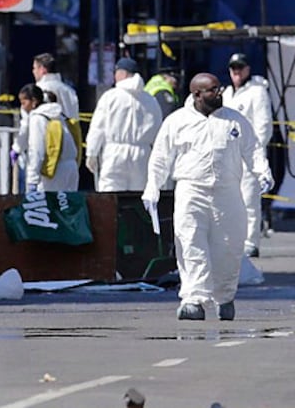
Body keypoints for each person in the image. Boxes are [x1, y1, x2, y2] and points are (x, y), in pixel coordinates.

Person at [141, 73, 273, 321]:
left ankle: (224, 297)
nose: (219, 93)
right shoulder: (177, 121)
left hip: (227, 192)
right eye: (212, 90)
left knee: (229, 247)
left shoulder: (234, 120)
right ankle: (194, 299)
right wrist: (153, 187)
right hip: (191, 190)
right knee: (190, 243)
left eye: (219, 88)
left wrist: (262, 172)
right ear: (197, 95)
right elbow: (160, 158)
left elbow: (253, 149)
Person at [221, 53, 273, 258]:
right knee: (230, 198)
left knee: (249, 199)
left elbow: (263, 125)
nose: (236, 72)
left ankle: (251, 242)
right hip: (229, 154)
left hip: (248, 154)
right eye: (233, 68)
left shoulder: (257, 93)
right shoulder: (226, 93)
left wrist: (255, 152)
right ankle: (234, 240)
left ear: (247, 70)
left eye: (240, 68)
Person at [85, 57, 162, 192]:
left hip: (114, 153)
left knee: (110, 193)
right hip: (142, 154)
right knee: (138, 197)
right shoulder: (150, 100)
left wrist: (92, 153)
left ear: (123, 74)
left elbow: (98, 128)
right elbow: (158, 130)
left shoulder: (110, 97)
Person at [23, 85, 79, 192]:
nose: (23, 107)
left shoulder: (38, 118)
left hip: (53, 171)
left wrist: (32, 179)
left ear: (34, 101)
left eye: (24, 103)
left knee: (50, 206)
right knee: (66, 206)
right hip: (71, 168)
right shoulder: (60, 115)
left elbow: (37, 150)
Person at [32, 53, 79, 120]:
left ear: (42, 69)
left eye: (34, 68)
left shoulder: (39, 89)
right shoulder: (70, 90)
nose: (33, 71)